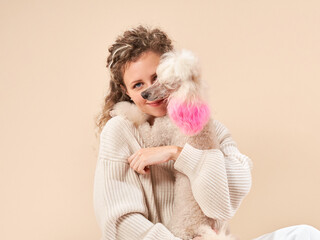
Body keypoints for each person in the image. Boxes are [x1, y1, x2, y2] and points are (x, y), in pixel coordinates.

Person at [93, 25, 320, 240]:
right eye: (138, 85)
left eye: (157, 77)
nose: (150, 91)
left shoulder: (209, 130)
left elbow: (221, 206)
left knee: (304, 235)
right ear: (126, 91)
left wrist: (179, 154)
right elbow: (121, 223)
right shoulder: (120, 131)